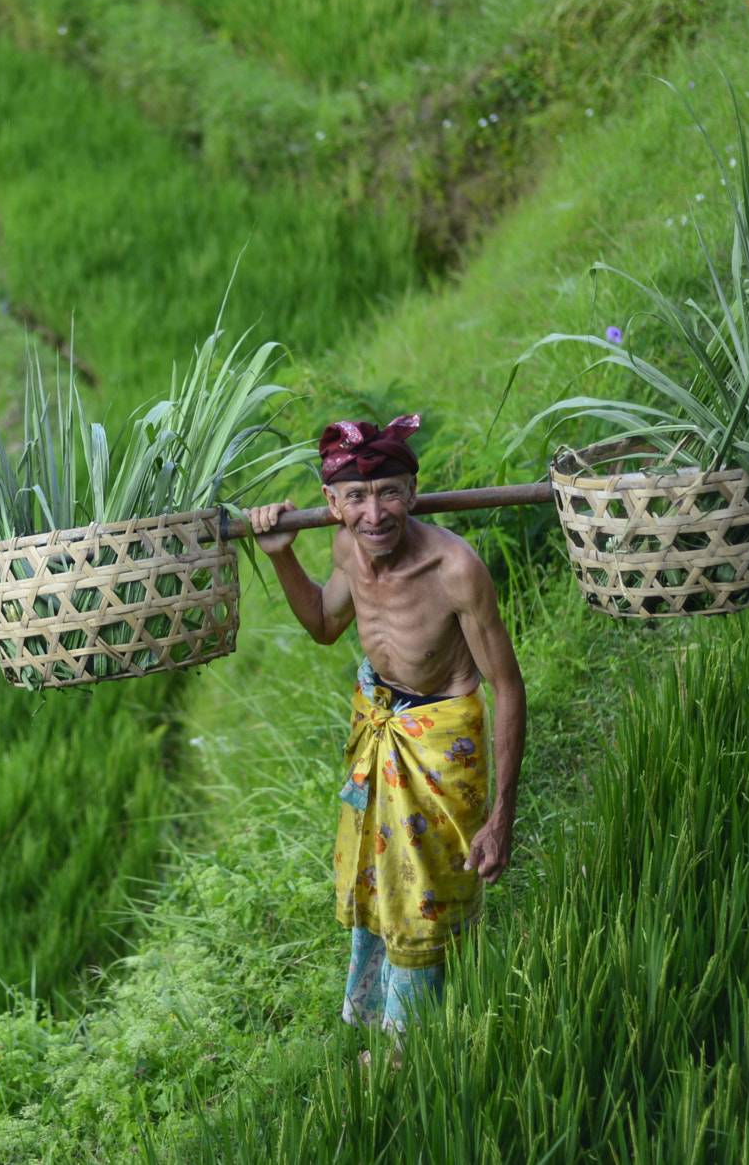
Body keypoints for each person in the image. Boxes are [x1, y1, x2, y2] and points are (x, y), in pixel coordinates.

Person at [248, 414, 526, 1033]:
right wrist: (280, 556)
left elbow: (507, 687)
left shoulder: (455, 570)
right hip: (380, 723)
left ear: (413, 493)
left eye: (389, 492)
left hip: (437, 741)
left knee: (427, 897)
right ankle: (378, 1018)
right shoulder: (346, 545)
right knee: (385, 884)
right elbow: (324, 623)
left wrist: (501, 815)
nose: (375, 514)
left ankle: (413, 1047)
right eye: (356, 497)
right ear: (332, 503)